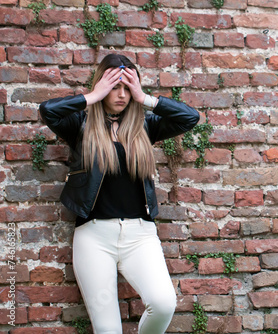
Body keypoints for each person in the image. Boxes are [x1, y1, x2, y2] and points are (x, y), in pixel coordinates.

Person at [39, 53, 200, 334]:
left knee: (163, 304)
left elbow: (190, 117)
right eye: (115, 86)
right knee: (108, 330)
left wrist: (144, 97)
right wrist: (93, 95)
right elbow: (48, 111)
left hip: (140, 236)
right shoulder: (80, 126)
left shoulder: (145, 127)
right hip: (94, 238)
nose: (122, 94)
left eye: (127, 87)